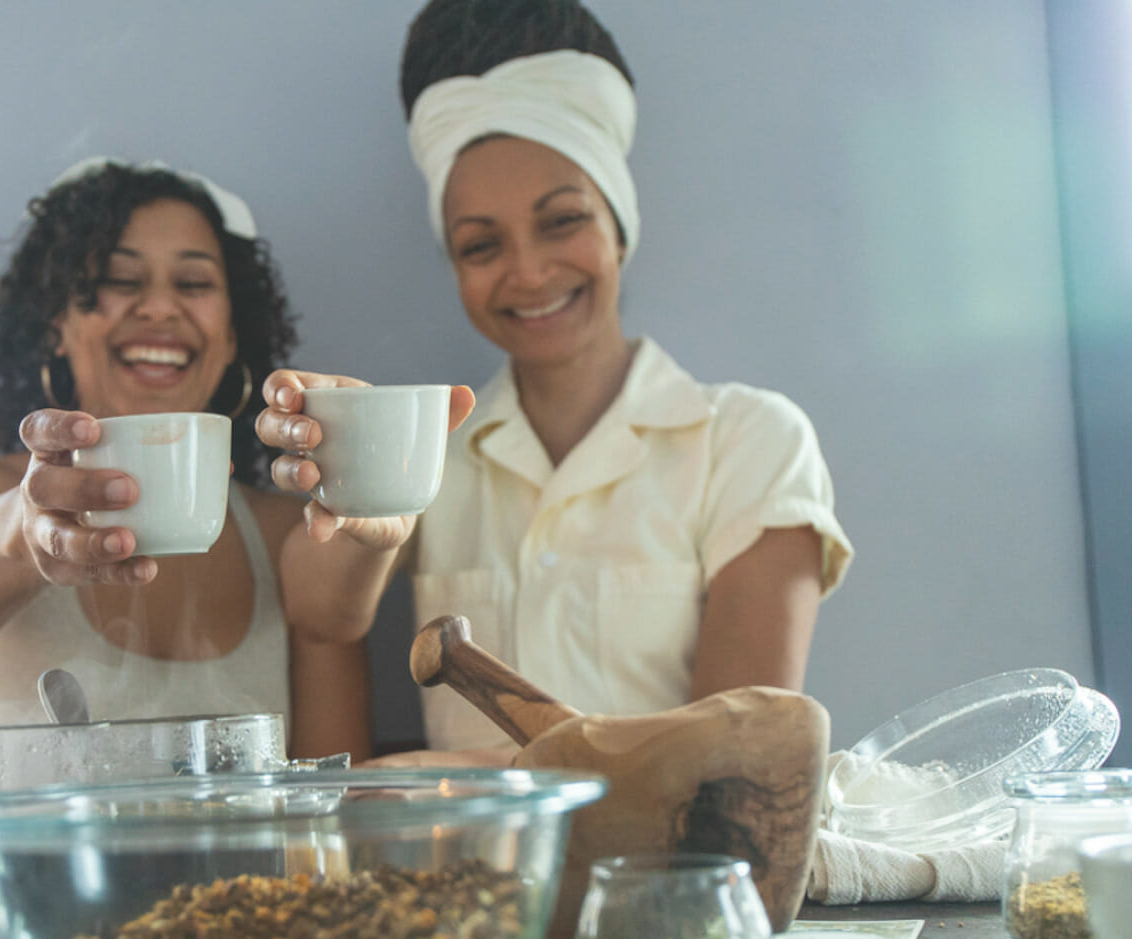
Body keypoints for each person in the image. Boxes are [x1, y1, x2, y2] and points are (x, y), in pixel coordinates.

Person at [256, 0, 852, 763]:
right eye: (480, 244)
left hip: (657, 883)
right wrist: (356, 483)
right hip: (472, 883)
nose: (529, 272)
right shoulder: (434, 452)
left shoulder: (750, 441)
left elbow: (735, 770)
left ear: (619, 227)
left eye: (563, 220)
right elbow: (319, 613)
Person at [0, 158, 370, 762]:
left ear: (233, 334)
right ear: (57, 322)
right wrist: (25, 533)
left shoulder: (289, 534)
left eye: (193, 285)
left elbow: (333, 793)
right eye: (119, 280)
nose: (159, 308)